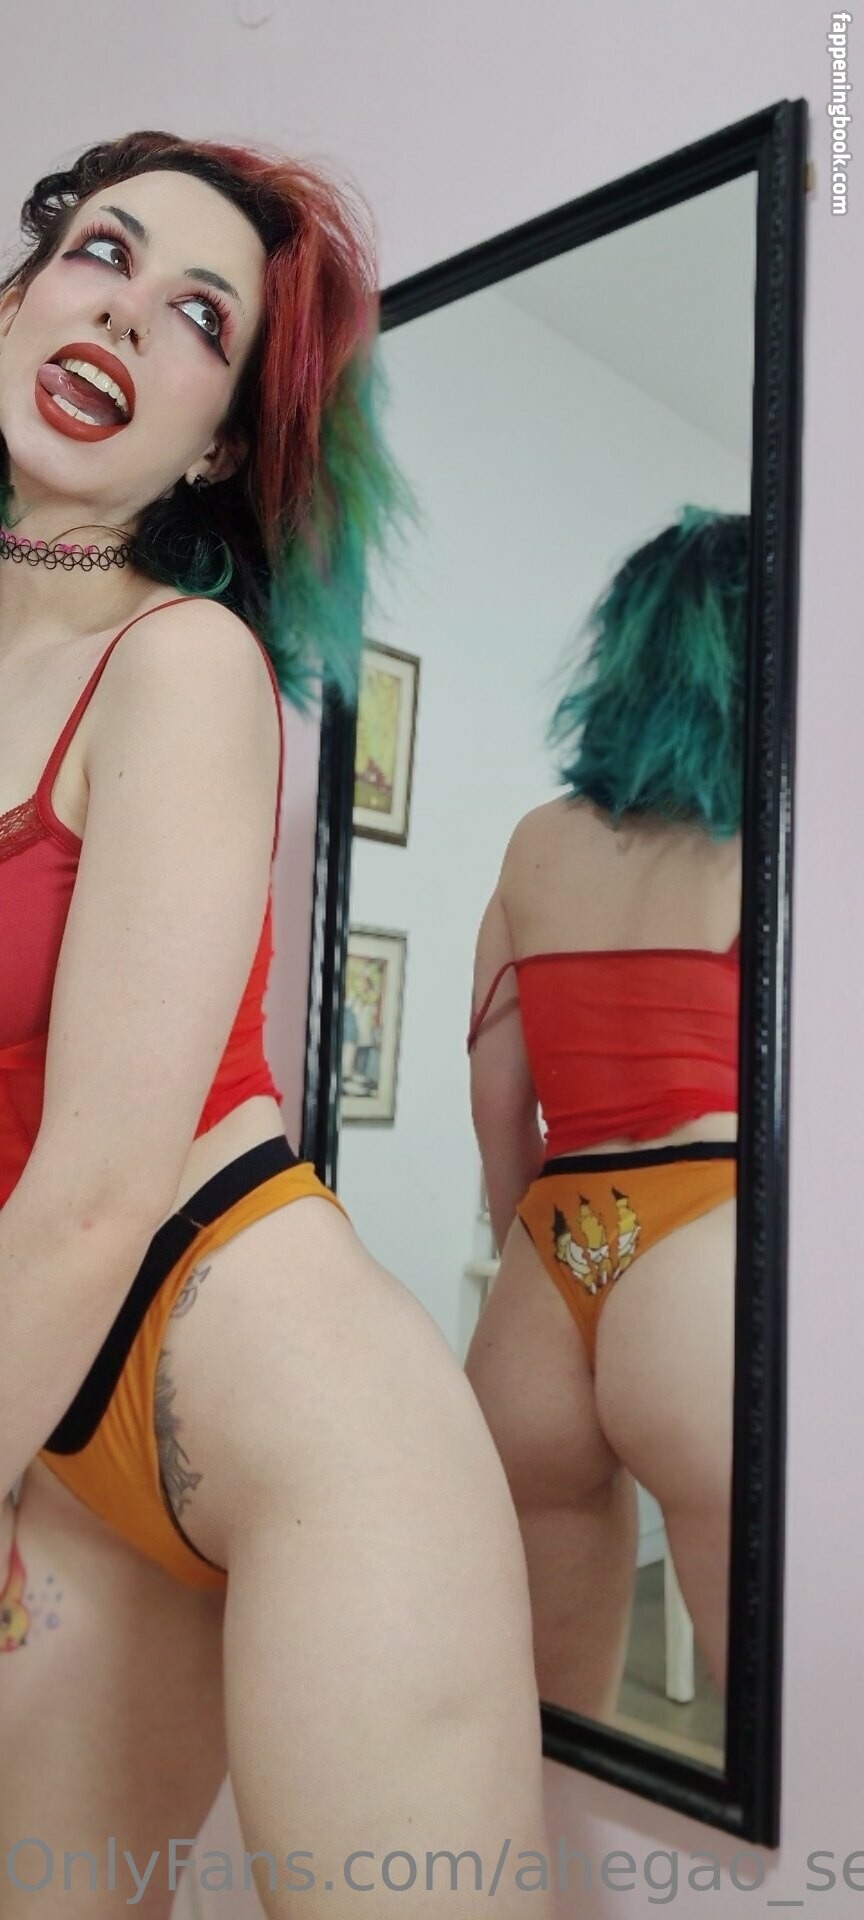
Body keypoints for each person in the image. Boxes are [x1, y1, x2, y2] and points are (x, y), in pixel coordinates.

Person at [0, 133, 551, 1920]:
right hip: (54, 1419)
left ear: (218, 443)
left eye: (198, 317)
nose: (123, 314)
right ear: (17, 298)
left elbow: (96, 1189)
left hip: (295, 1415)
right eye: (100, 254)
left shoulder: (181, 662)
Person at [465, 507, 746, 1721]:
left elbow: (498, 1101)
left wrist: (526, 1249)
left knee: (550, 1731)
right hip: (712, 1237)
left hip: (550, 1260)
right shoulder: (776, 841)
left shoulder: (536, 845)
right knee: (776, 1742)